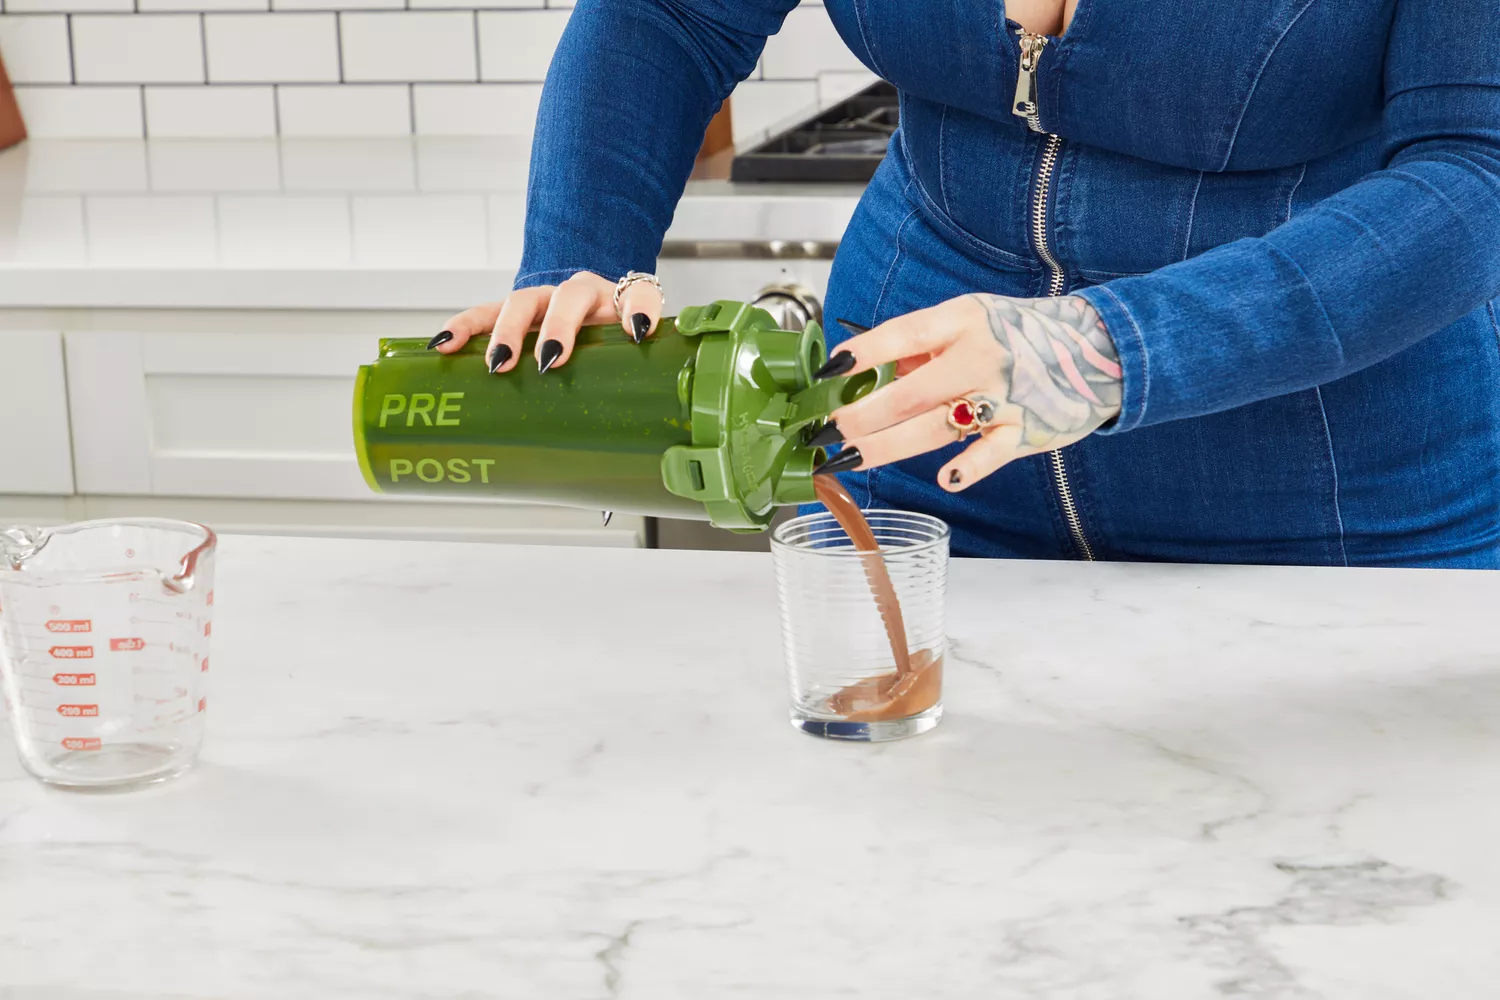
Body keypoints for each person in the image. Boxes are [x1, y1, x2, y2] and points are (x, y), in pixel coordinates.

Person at [430, 0, 1500, 567]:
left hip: (1338, 499)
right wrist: (581, 252)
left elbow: (1475, 168)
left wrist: (1107, 349)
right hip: (907, 464)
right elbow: (670, 14)